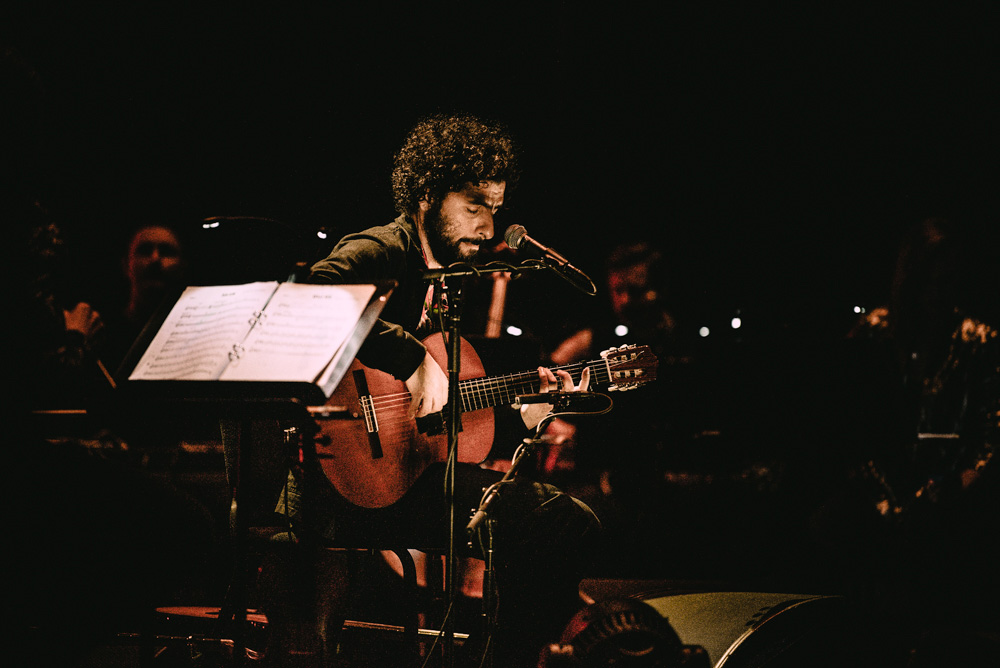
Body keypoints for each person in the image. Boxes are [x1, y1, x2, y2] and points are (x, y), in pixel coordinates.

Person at [240, 113, 603, 667]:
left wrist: (521, 412)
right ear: (429, 195)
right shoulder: (382, 248)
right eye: (474, 205)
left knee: (561, 521)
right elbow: (307, 299)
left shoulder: (453, 277)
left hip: (410, 476)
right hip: (335, 482)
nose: (487, 225)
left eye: (496, 210)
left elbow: (443, 415)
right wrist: (411, 359)